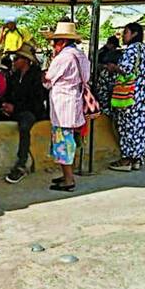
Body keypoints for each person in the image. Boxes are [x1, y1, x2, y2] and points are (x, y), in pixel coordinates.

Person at [42, 22, 90, 192]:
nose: (53, 46)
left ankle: (69, 180)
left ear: (61, 42)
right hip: (74, 102)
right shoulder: (80, 56)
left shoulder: (63, 58)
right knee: (69, 140)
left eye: (55, 42)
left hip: (63, 105)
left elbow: (48, 80)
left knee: (63, 143)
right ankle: (66, 175)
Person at [109, 22, 145, 172]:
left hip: (131, 95)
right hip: (143, 96)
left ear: (134, 33)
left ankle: (126, 159)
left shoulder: (130, 50)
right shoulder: (142, 49)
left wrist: (113, 68)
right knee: (140, 128)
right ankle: (137, 159)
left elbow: (126, 71)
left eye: (125, 32)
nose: (122, 35)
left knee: (127, 126)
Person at [3, 45, 48, 184]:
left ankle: (22, 163)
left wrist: (15, 108)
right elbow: (9, 94)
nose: (14, 61)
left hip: (31, 111)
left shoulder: (36, 76)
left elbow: (36, 101)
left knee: (25, 124)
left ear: (26, 60)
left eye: (16, 58)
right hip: (16, 109)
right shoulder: (14, 76)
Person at [94, 50, 122, 117]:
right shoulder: (105, 74)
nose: (107, 66)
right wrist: (106, 110)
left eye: (108, 64)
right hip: (107, 109)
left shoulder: (123, 76)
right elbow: (101, 93)